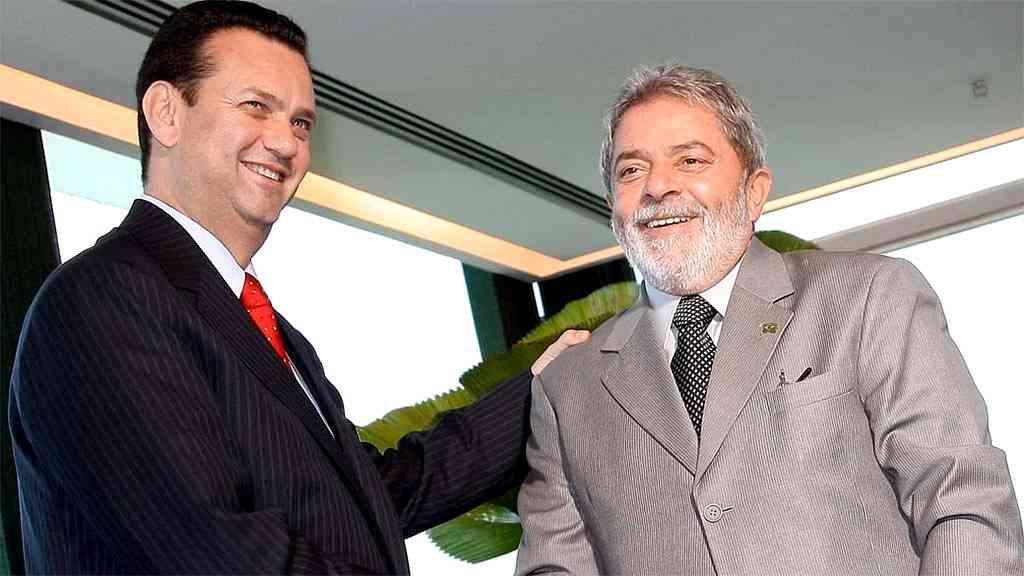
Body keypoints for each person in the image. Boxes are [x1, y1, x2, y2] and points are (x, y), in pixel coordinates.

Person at [8, 1, 585, 573]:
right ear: (166, 112)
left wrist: (545, 390)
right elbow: (224, 558)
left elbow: (373, 498)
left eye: (301, 123)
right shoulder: (102, 300)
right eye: (256, 106)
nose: (286, 144)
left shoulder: (263, 325)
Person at [515, 64, 1023, 575]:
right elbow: (553, 567)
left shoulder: (869, 296)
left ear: (754, 190)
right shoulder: (566, 387)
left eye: (690, 160)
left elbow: (961, 498)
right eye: (631, 170)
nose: (658, 186)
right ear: (613, 208)